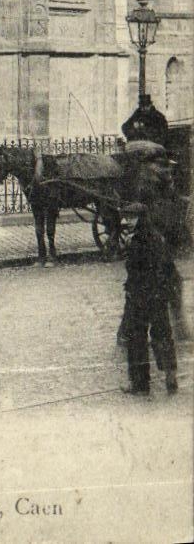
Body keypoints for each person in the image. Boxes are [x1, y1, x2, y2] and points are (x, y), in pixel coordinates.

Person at [121, 148, 179, 396]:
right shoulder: (152, 235)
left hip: (142, 294)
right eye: (125, 219)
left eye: (130, 219)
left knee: (136, 336)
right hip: (158, 293)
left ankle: (140, 384)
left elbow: (137, 270)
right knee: (162, 332)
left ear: (138, 218)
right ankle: (170, 375)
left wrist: (134, 294)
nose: (126, 223)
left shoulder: (141, 240)